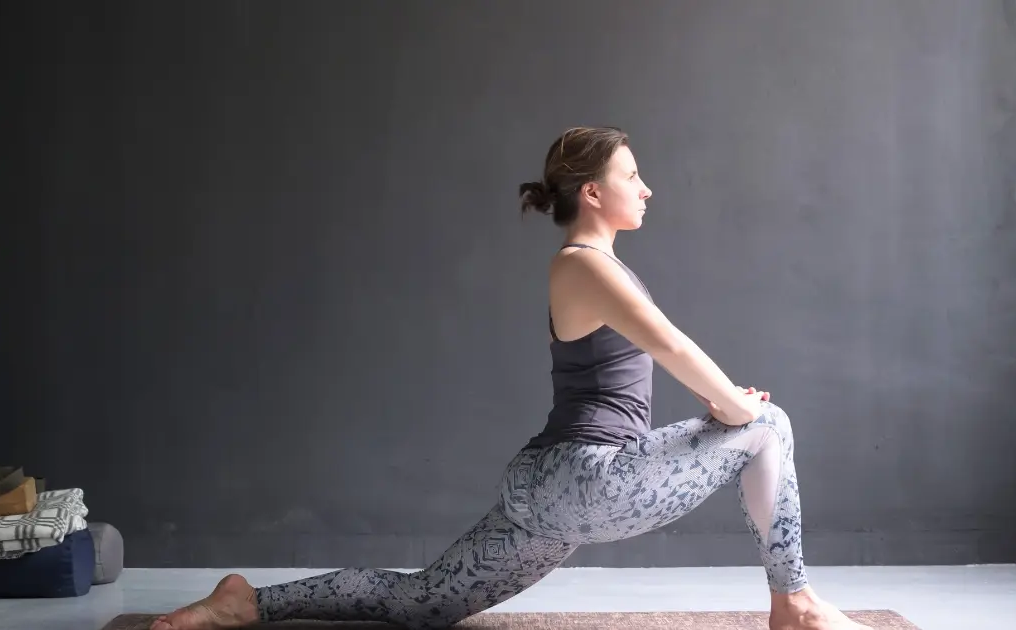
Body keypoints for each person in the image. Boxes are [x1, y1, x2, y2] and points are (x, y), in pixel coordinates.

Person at [150, 127, 871, 630]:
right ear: (592, 192)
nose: (647, 188)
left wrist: (727, 407)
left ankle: (249, 602)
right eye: (632, 176)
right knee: (769, 425)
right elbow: (672, 345)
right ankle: (796, 605)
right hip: (587, 480)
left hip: (543, 488)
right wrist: (733, 406)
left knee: (424, 603)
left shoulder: (592, 268)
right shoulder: (583, 265)